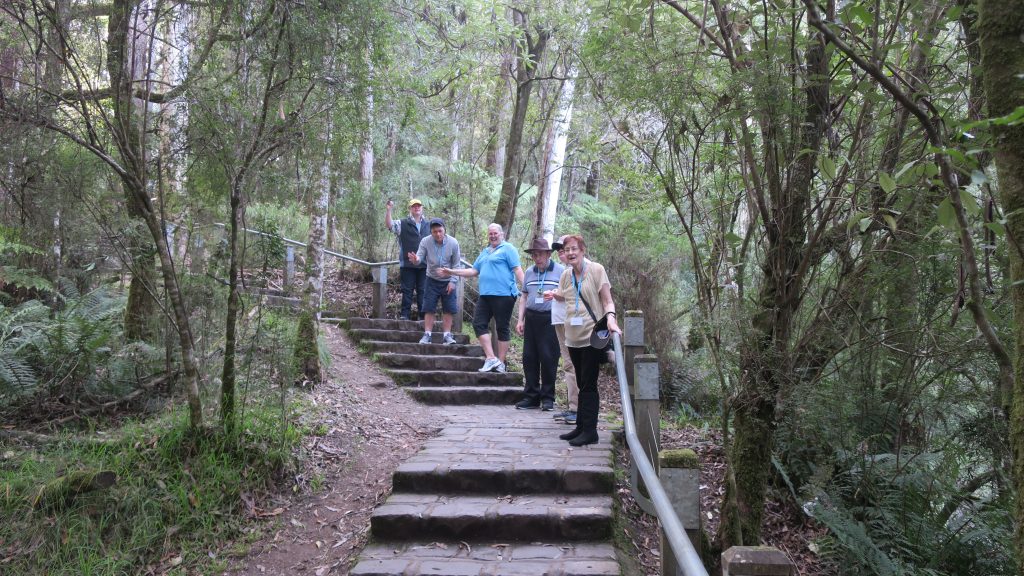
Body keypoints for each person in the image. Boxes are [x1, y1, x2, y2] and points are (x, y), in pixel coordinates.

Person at [543, 234, 621, 447]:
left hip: (592, 337)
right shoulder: (566, 276)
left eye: (574, 249)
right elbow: (565, 295)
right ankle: (579, 427)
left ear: (583, 250)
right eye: (567, 250)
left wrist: (612, 319)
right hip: (572, 338)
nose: (570, 253)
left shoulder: (596, 270)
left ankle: (590, 431)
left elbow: (608, 301)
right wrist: (553, 294)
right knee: (579, 381)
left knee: (588, 384)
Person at [441, 223, 524, 373]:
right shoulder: (485, 252)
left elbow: (517, 269)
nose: (492, 236)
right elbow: (473, 270)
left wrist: (526, 286)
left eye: (495, 233)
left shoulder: (508, 249)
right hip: (485, 295)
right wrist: (451, 271)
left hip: (504, 294)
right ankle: (491, 358)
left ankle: (501, 362)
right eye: (490, 234)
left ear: (501, 234)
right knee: (478, 323)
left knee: (502, 327)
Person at [514, 238, 564, 411]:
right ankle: (531, 396)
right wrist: (520, 320)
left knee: (549, 357)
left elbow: (566, 296)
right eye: (534, 255)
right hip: (532, 318)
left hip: (551, 319)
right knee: (529, 357)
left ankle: (548, 398)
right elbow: (524, 297)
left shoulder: (560, 271)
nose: (537, 258)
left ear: (549, 254)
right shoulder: (529, 272)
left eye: (540, 254)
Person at [408, 218, 462, 345]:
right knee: (429, 308)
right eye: (434, 231)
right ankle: (427, 335)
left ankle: (447, 335)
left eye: (440, 231)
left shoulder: (453, 243)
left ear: (444, 230)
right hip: (431, 279)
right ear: (431, 232)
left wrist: (453, 281)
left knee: (449, 308)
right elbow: (419, 257)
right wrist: (416, 260)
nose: (437, 234)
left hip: (448, 279)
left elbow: (456, 264)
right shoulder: (426, 241)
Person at [385, 198, 430, 320]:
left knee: (423, 291)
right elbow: (390, 226)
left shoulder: (429, 225)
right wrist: (389, 210)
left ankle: (423, 317)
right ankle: (405, 316)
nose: (417, 208)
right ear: (410, 209)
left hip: (425, 265)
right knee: (407, 291)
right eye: (414, 206)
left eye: (419, 206)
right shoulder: (403, 223)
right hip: (407, 264)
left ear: (422, 208)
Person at [550, 235, 578, 425]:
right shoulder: (565, 272)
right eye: (559, 249)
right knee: (568, 364)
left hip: (574, 323)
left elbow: (570, 295)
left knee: (573, 364)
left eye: (565, 248)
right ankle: (573, 407)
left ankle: (577, 409)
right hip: (561, 321)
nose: (562, 251)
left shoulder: (580, 269)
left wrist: (554, 294)